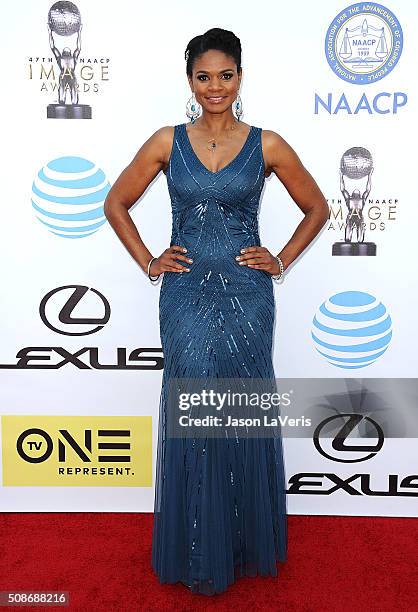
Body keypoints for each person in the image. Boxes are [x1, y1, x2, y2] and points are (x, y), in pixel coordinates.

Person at [104, 27, 329, 596]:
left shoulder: (267, 144)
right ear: (190, 81)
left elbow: (317, 207)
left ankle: (243, 543)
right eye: (203, 77)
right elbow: (116, 202)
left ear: (240, 77)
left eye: (225, 75)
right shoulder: (166, 140)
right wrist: (150, 261)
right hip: (184, 297)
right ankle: (197, 543)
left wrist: (279, 259)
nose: (214, 87)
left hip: (248, 298)